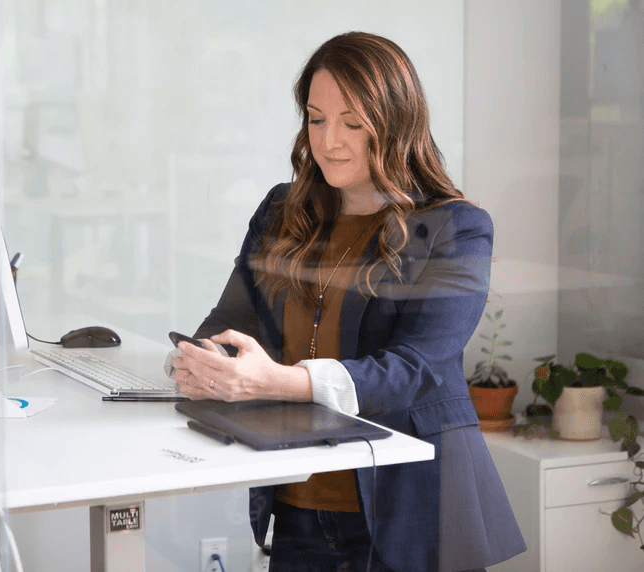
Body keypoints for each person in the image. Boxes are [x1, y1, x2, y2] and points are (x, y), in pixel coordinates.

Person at [167, 32, 526, 572]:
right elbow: (229, 323)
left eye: (353, 123)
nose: (329, 141)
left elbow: (415, 369)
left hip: (412, 512)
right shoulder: (281, 210)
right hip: (298, 509)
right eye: (316, 119)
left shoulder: (456, 228)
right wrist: (202, 362)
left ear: (395, 123)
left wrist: (272, 381)